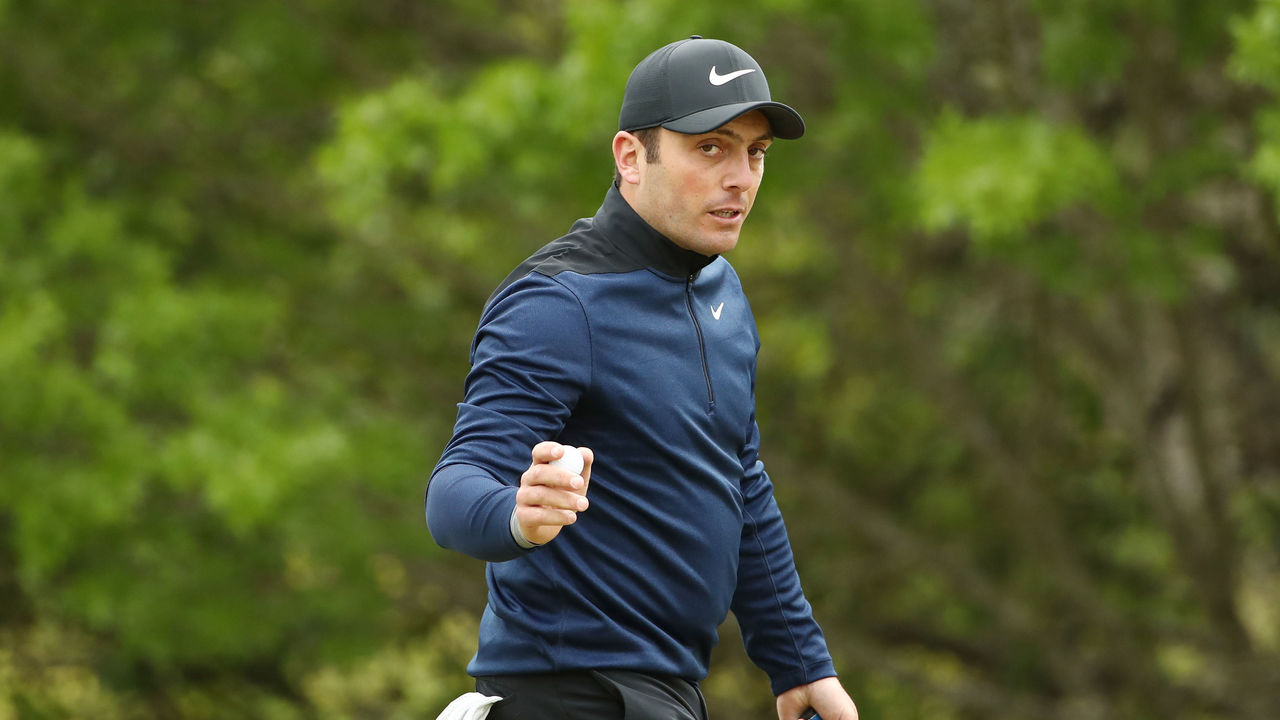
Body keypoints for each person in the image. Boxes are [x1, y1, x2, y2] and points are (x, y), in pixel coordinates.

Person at [426, 35, 859, 720]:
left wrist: (798, 662)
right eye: (710, 148)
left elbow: (738, 477)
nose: (740, 177)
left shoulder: (723, 292)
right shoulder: (559, 300)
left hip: (666, 693)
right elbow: (454, 489)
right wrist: (518, 515)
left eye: (755, 153)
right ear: (631, 156)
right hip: (570, 695)